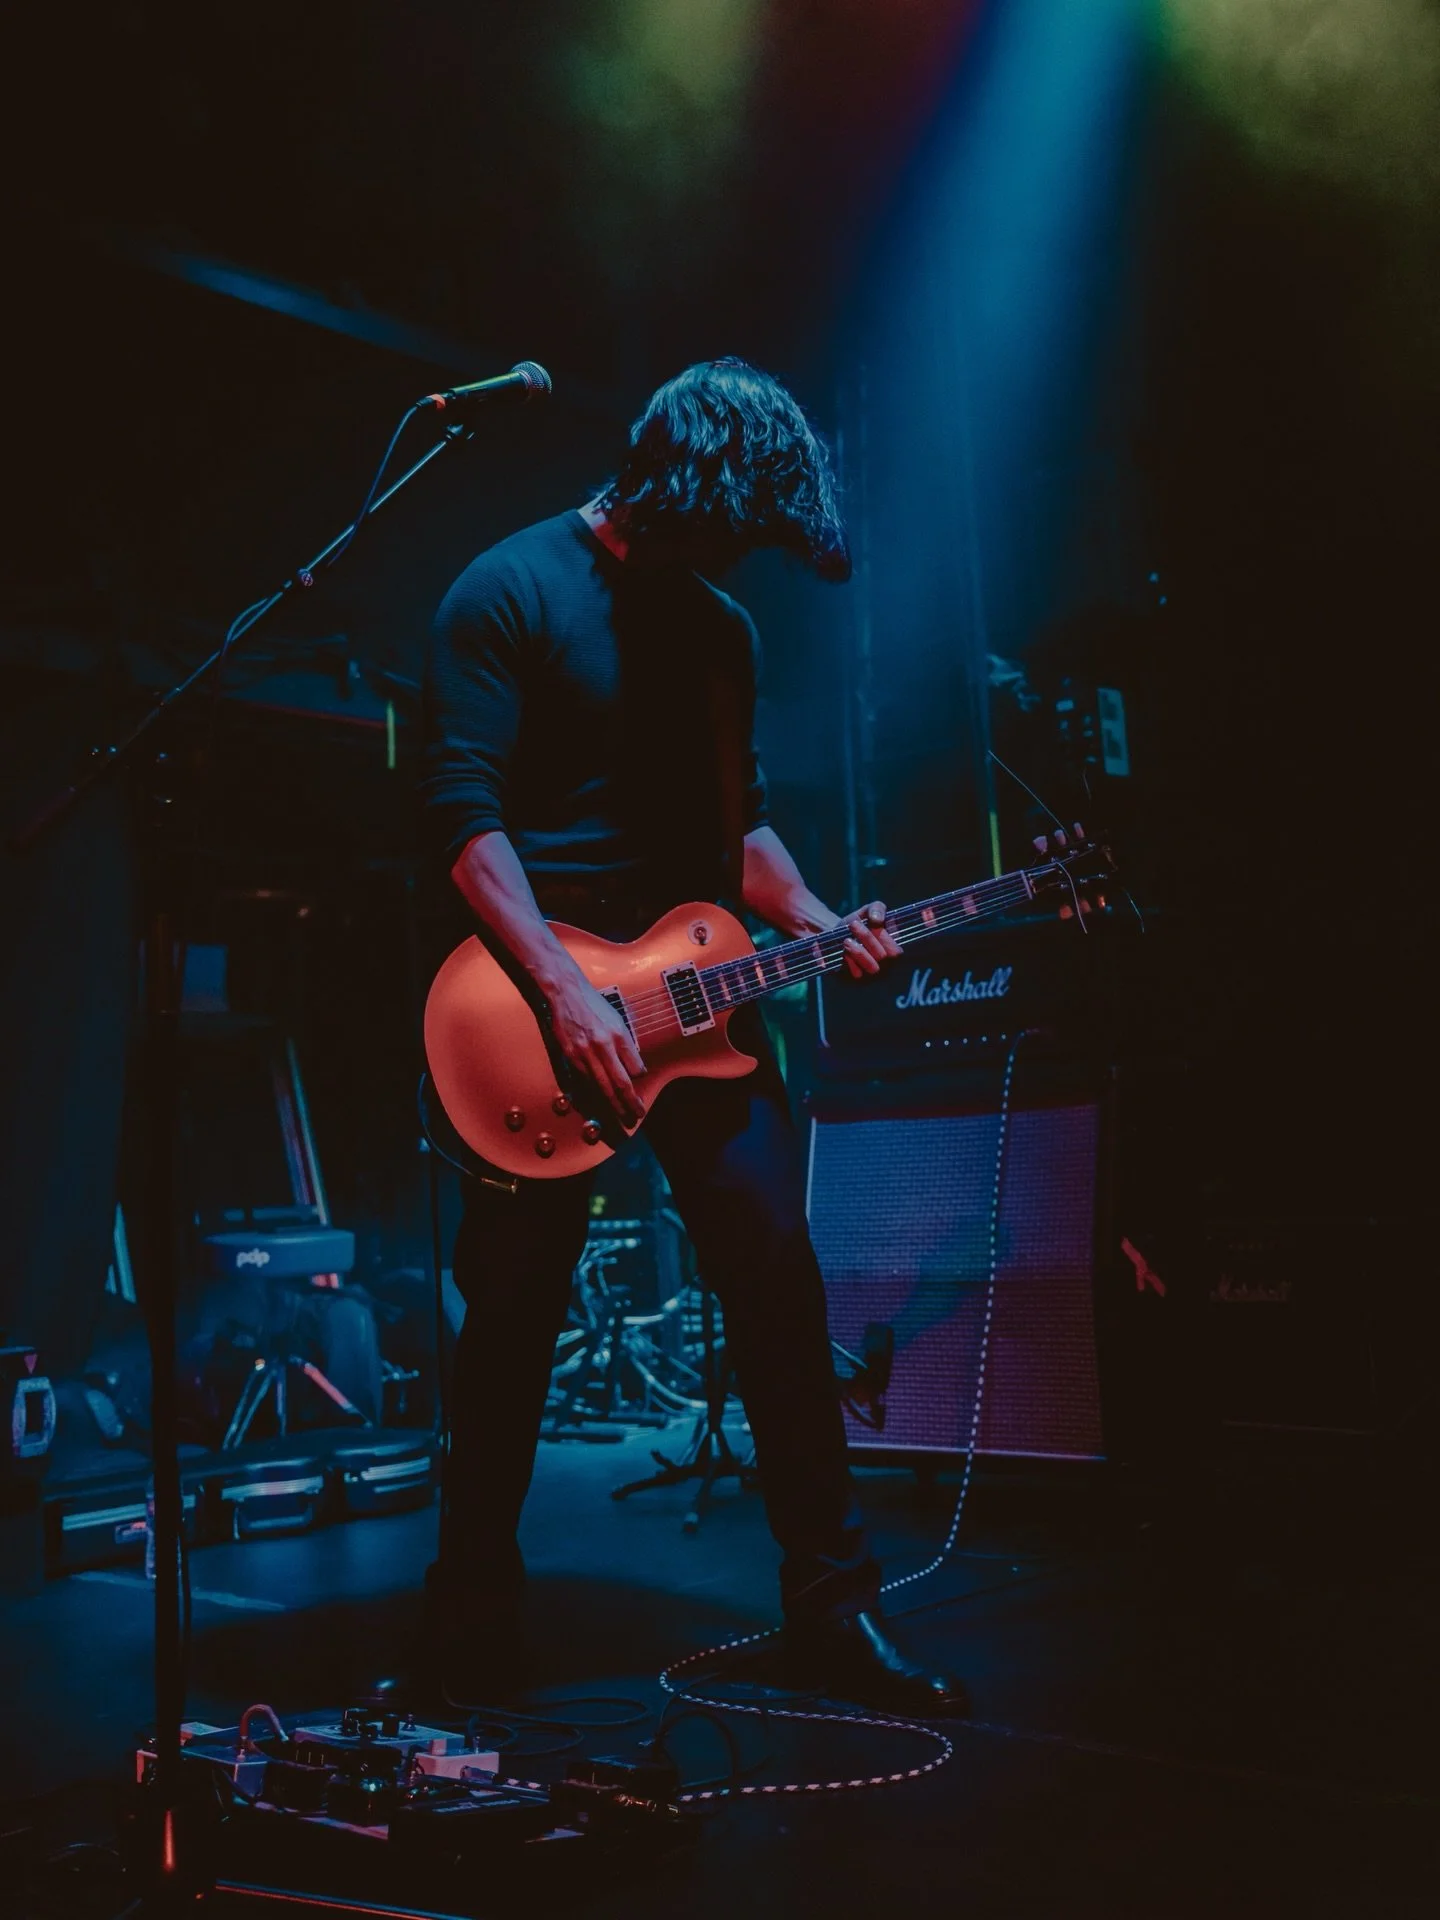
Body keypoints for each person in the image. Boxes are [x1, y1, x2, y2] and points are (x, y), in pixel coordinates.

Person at [420, 356, 965, 1714]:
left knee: (778, 1276)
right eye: (732, 525)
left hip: (700, 1009)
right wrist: (563, 990)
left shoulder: (723, 631)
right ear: (679, 482)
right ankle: (471, 1614)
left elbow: (742, 826)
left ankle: (833, 1611)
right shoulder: (507, 590)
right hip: (539, 1015)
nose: (739, 555)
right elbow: (465, 825)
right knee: (512, 1319)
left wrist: (825, 920)